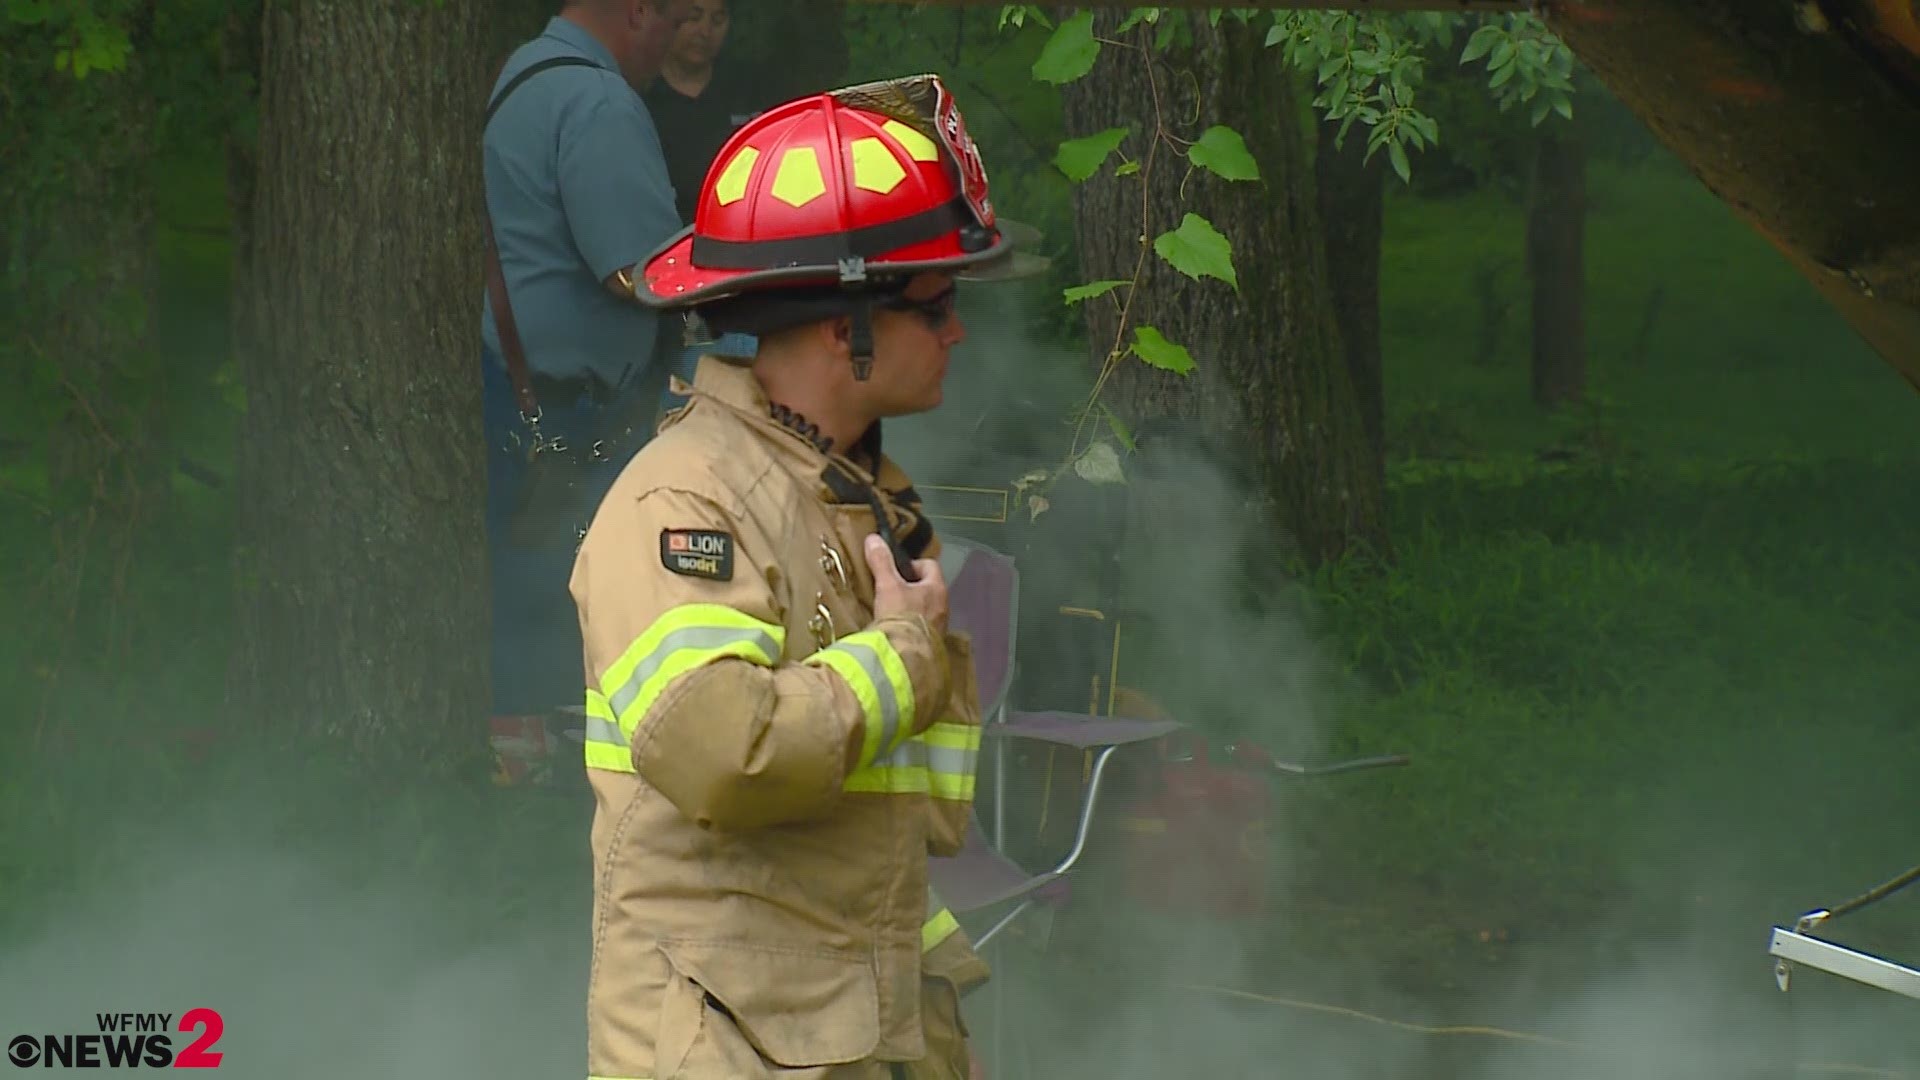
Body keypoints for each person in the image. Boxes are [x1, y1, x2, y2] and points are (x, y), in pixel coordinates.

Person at [568, 73, 1040, 1079]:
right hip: (732, 1045)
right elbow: (719, 750)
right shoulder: (687, 506)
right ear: (844, 326)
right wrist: (908, 655)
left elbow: (868, 823)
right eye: (937, 303)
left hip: (847, 1018)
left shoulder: (846, 490)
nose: (957, 332)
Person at [479, 0, 691, 722]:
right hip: (570, 417)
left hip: (514, 391)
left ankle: (516, 767)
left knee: (520, 598)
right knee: (567, 613)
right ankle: (555, 792)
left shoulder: (523, 74)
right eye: (673, 20)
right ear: (637, 11)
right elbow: (642, 272)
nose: (674, 43)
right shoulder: (598, 99)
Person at [641, 0, 767, 417]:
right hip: (664, 288)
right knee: (676, 413)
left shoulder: (749, 91)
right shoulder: (639, 98)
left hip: (743, 282)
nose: (704, 31)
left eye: (718, 19)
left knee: (745, 409)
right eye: (693, 16)